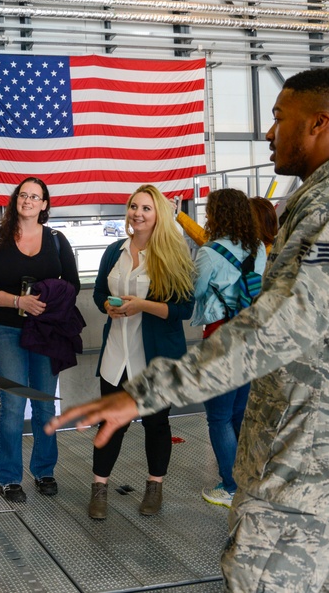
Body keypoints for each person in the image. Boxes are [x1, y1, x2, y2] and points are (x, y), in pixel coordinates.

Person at [48, 68, 329, 591]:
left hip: (321, 460)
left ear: (319, 123)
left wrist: (145, 394)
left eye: (279, 119)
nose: (269, 133)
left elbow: (282, 325)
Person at [87, 184, 195, 519]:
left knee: (156, 423)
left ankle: (154, 487)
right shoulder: (113, 251)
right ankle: (99, 489)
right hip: (116, 355)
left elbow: (184, 310)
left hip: (154, 358)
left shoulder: (173, 253)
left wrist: (142, 305)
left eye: (146, 208)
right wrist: (107, 305)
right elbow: (99, 294)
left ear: (158, 214)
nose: (138, 213)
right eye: (134, 206)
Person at [0, 177, 80, 504]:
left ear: (45, 204)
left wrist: (49, 300)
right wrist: (19, 302)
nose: (29, 201)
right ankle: (8, 477)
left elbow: (73, 283)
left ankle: (44, 470)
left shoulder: (57, 240)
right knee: (12, 403)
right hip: (8, 328)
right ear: (15, 200)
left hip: (47, 329)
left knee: (44, 402)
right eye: (24, 195)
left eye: (35, 197)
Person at [187, 189, 265, 509]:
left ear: (217, 214)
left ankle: (231, 486)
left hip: (221, 339)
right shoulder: (258, 248)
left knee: (218, 417)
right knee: (239, 414)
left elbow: (196, 290)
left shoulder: (209, 253)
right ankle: (246, 481)